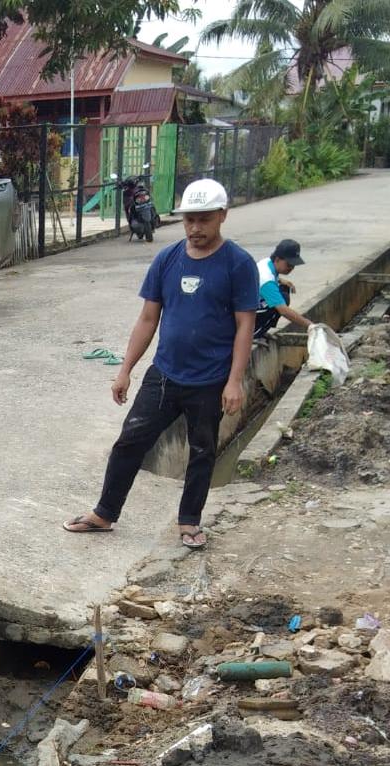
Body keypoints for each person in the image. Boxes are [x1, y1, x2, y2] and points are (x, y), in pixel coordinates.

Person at [62, 178, 258, 551]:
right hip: (165, 375)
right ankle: (105, 513)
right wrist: (125, 370)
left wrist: (234, 381)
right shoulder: (167, 259)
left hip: (210, 381)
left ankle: (189, 522)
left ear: (222, 216)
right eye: (189, 220)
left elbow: (244, 326)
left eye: (204, 220)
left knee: (202, 451)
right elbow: (148, 319)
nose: (195, 228)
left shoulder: (238, 264)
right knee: (129, 442)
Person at [254, 239, 311, 339]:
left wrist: (280, 280)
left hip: (247, 306)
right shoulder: (267, 281)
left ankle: (261, 329)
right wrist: (310, 325)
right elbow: (284, 311)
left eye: (293, 265)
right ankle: (254, 334)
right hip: (242, 314)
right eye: (289, 264)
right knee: (280, 302)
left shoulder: (267, 262)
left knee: (284, 289)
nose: (291, 268)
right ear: (277, 259)